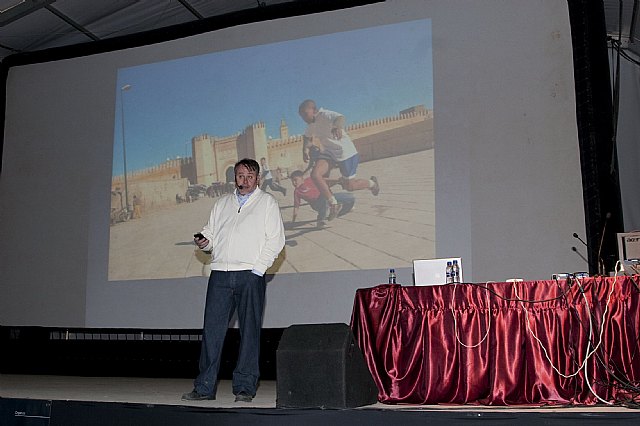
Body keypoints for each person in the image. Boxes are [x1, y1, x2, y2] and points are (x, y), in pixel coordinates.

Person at [182, 158, 285, 403]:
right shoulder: (222, 203)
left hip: (250, 274)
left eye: (250, 176)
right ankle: (204, 388)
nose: (244, 181)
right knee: (212, 332)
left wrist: (258, 271)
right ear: (234, 178)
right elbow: (210, 234)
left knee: (249, 332)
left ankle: (245, 387)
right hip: (220, 274)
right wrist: (205, 243)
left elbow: (276, 240)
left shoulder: (267, 203)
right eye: (240, 176)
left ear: (258, 178)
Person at [298, 99, 379, 221]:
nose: (304, 118)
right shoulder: (310, 126)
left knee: (350, 186)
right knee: (315, 175)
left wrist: (337, 126)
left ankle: (372, 184)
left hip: (345, 153)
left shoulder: (324, 114)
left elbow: (340, 117)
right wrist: (305, 149)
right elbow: (306, 137)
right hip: (329, 153)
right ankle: (333, 204)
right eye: (301, 116)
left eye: (305, 114)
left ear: (314, 110)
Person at [290, 169, 354, 228]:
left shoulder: (310, 180)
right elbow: (296, 206)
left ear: (302, 178)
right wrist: (293, 221)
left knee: (350, 197)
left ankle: (337, 211)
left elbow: (324, 180)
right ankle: (320, 221)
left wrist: (337, 180)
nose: (294, 183)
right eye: (292, 181)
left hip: (328, 198)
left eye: (295, 180)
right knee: (324, 196)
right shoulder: (297, 192)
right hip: (316, 204)